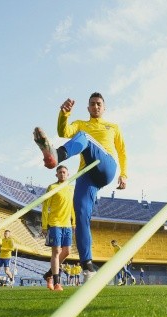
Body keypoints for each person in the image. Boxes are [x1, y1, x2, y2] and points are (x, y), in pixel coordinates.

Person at [34, 92, 127, 283]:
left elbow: (122, 151)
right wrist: (64, 114)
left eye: (99, 104)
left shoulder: (113, 127)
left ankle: (56, 156)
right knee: (81, 214)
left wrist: (124, 174)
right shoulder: (80, 123)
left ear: (104, 107)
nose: (96, 107)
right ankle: (88, 267)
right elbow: (63, 132)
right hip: (87, 175)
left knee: (84, 137)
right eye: (92, 104)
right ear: (88, 108)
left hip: (106, 165)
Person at [40, 165, 76, 292]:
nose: (62, 174)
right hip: (54, 223)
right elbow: (45, 207)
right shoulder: (52, 187)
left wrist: (74, 221)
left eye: (64, 172)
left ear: (68, 174)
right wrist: (44, 225)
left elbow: (72, 206)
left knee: (66, 252)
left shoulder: (71, 188)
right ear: (56, 175)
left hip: (67, 224)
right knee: (56, 252)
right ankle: (56, 283)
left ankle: (48, 274)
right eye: (59, 172)